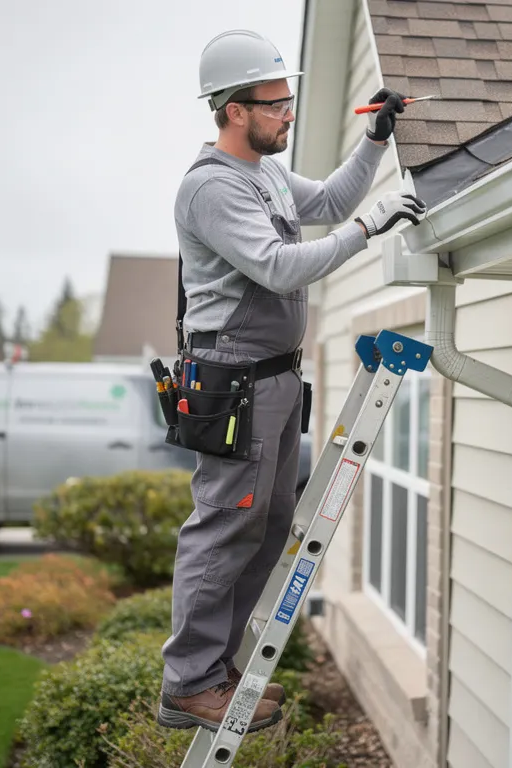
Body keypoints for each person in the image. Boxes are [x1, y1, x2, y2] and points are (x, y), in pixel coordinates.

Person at [157, 29, 427, 733]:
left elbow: (332, 202)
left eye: (289, 99)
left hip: (272, 380)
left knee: (268, 523)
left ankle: (216, 671)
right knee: (222, 527)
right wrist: (373, 227)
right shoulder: (212, 187)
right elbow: (279, 266)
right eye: (275, 103)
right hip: (233, 378)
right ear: (232, 109)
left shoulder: (269, 173)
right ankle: (187, 682)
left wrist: (375, 141)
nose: (289, 113)